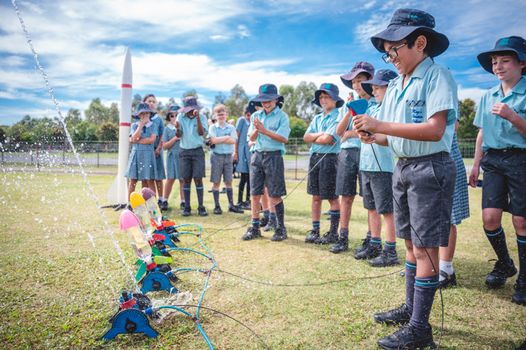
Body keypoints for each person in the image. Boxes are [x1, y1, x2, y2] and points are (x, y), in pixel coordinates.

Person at [353, 8, 458, 348]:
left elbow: (433, 129)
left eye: (394, 49)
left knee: (426, 248)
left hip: (430, 168)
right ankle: (412, 309)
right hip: (403, 168)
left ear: (420, 42)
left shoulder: (437, 76)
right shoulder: (396, 84)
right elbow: (395, 134)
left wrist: (380, 125)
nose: (390, 57)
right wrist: (374, 134)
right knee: (411, 244)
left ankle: (419, 329)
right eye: (386, 52)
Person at [469, 36, 526, 305]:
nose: (498, 66)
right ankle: (505, 264)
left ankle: (524, 279)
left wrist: (513, 116)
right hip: (493, 161)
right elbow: (481, 133)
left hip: (521, 159)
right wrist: (476, 165)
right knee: (490, 218)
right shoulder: (487, 96)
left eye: (505, 60)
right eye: (494, 62)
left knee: (521, 221)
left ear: (522, 63)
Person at [355, 69, 400, 267]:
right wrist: (362, 134)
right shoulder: (372, 108)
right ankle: (374, 244)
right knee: (371, 207)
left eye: (378, 87)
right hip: (367, 164)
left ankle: (390, 251)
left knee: (386, 210)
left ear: (391, 88)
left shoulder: (393, 109)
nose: (374, 91)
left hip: (384, 166)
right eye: (372, 87)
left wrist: (373, 134)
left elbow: (390, 136)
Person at [330, 61, 375, 253]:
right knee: (346, 196)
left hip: (369, 154)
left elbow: (373, 131)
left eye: (360, 80)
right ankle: (343, 236)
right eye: (354, 82)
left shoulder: (376, 102)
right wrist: (349, 112)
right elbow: (339, 132)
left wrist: (353, 133)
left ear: (369, 81)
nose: (356, 85)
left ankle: (370, 238)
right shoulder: (347, 104)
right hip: (347, 154)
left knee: (369, 200)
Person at [242, 84, 291, 242]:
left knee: (275, 194)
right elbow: (251, 138)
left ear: (276, 99)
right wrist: (257, 130)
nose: (266, 103)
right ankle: (255, 227)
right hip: (257, 155)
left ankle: (280, 228)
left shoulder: (282, 117)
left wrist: (264, 131)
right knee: (255, 194)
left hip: (274, 156)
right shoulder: (256, 115)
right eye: (263, 100)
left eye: (269, 100)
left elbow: (284, 138)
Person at [303, 83, 342, 246]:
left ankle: (333, 232)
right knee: (316, 196)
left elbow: (329, 139)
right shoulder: (317, 117)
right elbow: (306, 137)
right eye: (321, 97)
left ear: (335, 99)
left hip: (330, 159)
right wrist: (320, 134)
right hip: (315, 158)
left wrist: (316, 137)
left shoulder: (338, 116)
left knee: (332, 196)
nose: (323, 100)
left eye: (327, 96)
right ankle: (315, 229)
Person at [439, 123, 470, 287]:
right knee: (426, 217)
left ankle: (446, 270)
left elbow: (454, 125)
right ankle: (427, 265)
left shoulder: (447, 97)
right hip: (427, 160)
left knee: (447, 217)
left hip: (447, 159)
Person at [176, 95, 209, 217]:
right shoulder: (180, 117)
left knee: (198, 179)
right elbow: (179, 135)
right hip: (184, 151)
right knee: (186, 179)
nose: (190, 111)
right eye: (188, 109)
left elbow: (201, 133)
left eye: (192, 109)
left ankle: (201, 207)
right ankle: (187, 207)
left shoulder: (202, 117)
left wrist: (197, 118)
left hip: (197, 151)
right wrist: (177, 128)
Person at [208, 104, 244, 215]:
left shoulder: (231, 128)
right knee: (216, 182)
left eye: (223, 114)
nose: (221, 116)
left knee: (228, 181)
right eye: (218, 114)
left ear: (226, 115)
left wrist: (221, 139)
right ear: (215, 116)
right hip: (216, 156)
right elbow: (212, 140)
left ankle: (231, 205)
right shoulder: (213, 127)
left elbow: (233, 141)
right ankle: (217, 206)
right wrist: (227, 138)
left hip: (228, 157)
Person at [125, 102, 157, 201]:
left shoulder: (153, 125)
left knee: (148, 180)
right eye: (142, 113)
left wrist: (137, 140)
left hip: (148, 155)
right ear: (138, 115)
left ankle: (152, 205)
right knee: (133, 180)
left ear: (150, 114)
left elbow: (151, 140)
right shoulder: (135, 125)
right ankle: (130, 204)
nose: (145, 115)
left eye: (147, 113)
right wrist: (141, 125)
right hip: (136, 155)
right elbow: (133, 138)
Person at [143, 94, 166, 206]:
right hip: (146, 152)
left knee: (158, 177)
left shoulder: (158, 119)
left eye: (153, 101)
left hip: (157, 151)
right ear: (144, 103)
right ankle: (151, 201)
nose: (151, 103)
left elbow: (162, 135)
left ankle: (161, 200)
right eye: (149, 101)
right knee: (149, 178)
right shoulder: (142, 117)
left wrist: (158, 148)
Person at [161, 104, 185, 211]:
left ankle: (184, 202)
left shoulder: (183, 128)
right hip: (171, 156)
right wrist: (175, 138)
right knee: (170, 179)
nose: (174, 117)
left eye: (177, 115)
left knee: (182, 180)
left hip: (183, 156)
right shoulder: (167, 129)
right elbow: (165, 146)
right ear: (168, 117)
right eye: (172, 115)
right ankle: (165, 200)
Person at [234, 101, 256, 210]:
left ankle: (248, 200)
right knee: (244, 177)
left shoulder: (253, 122)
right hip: (242, 151)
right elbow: (236, 137)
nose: (249, 117)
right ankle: (239, 201)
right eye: (248, 114)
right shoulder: (242, 121)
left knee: (250, 178)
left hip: (250, 152)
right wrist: (236, 152)